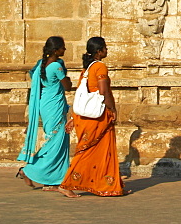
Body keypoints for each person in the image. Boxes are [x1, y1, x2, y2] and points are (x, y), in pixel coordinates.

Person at [58, 36, 126, 197]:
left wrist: (74, 118)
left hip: (85, 118)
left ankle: (109, 185)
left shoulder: (86, 70)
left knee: (101, 152)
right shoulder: (100, 67)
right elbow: (103, 91)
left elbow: (82, 95)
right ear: (99, 51)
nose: (107, 50)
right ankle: (66, 184)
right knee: (88, 152)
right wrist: (113, 108)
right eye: (105, 48)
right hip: (97, 117)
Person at [17, 36, 73, 190]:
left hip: (46, 105)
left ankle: (52, 181)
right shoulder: (56, 66)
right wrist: (68, 79)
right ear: (55, 50)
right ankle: (29, 170)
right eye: (62, 47)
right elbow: (67, 86)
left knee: (55, 141)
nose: (65, 50)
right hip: (54, 106)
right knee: (56, 142)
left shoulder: (42, 64)